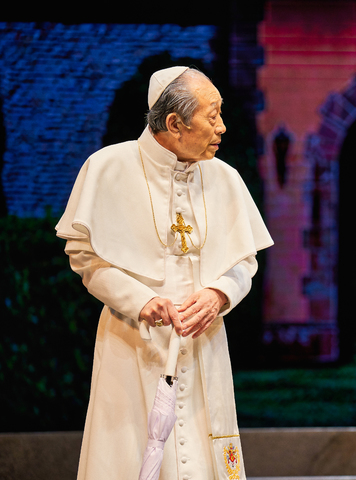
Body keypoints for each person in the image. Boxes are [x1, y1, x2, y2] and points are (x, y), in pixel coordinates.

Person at [56, 66, 273, 479]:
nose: (223, 127)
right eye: (212, 116)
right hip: (133, 340)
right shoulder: (108, 167)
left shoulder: (225, 177)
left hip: (203, 342)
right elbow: (85, 255)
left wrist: (220, 294)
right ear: (174, 123)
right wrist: (141, 301)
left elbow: (244, 261)